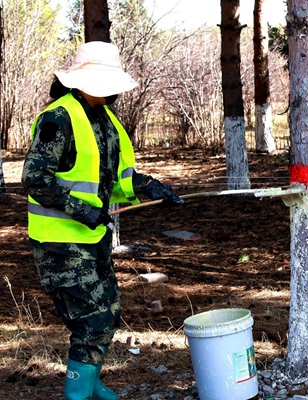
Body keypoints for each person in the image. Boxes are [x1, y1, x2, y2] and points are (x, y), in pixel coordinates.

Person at [22, 41, 183, 400]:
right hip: (60, 242)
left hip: (92, 239)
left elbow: (116, 177)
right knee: (91, 320)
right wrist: (81, 209)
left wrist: (149, 186)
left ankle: (90, 386)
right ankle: (77, 394)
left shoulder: (106, 121)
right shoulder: (59, 118)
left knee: (108, 311)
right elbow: (35, 179)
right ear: (86, 81)